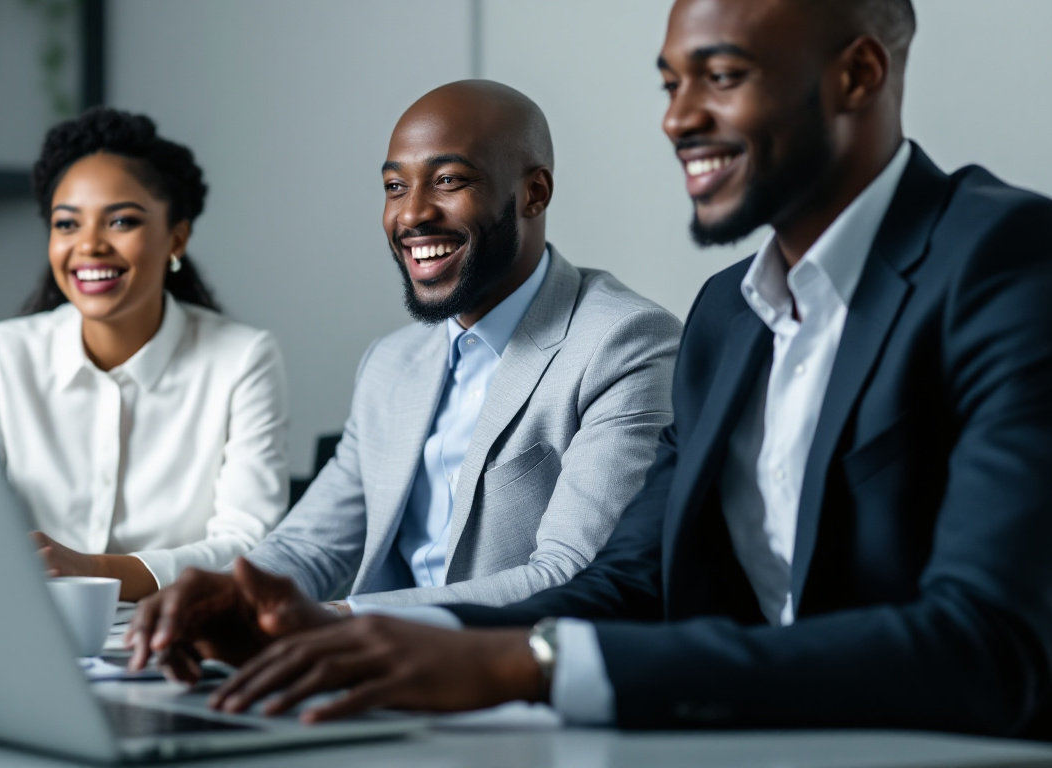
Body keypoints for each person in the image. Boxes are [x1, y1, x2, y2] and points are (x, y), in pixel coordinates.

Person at [128, 0, 1052, 767]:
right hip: (776, 746)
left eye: (720, 76)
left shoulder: (1012, 261)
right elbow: (629, 582)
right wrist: (372, 635)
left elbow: (980, 646)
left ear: (856, 74)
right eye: (669, 82)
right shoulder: (729, 316)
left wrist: (531, 666)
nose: (678, 118)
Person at [125, 80, 680, 635]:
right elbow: (311, 545)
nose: (411, 214)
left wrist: (336, 618)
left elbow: (570, 577)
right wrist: (223, 599)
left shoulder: (624, 343)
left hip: (504, 682)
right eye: (395, 186)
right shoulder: (391, 365)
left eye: (448, 181)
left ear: (533, 193)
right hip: (365, 674)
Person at [0, 108, 289, 601]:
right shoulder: (1, 354)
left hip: (171, 633)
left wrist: (92, 570)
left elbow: (249, 546)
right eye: (66, 224)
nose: (89, 245)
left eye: (121, 221)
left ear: (177, 236)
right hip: (22, 620)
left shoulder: (243, 358)